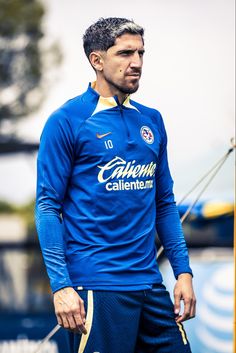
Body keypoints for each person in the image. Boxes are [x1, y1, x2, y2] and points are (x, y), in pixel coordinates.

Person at [35, 17, 196, 353]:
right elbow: (48, 206)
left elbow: (164, 203)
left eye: (140, 53)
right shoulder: (67, 121)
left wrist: (183, 272)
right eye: (124, 54)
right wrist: (60, 286)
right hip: (95, 287)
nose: (136, 63)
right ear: (97, 60)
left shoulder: (151, 120)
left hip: (151, 285)